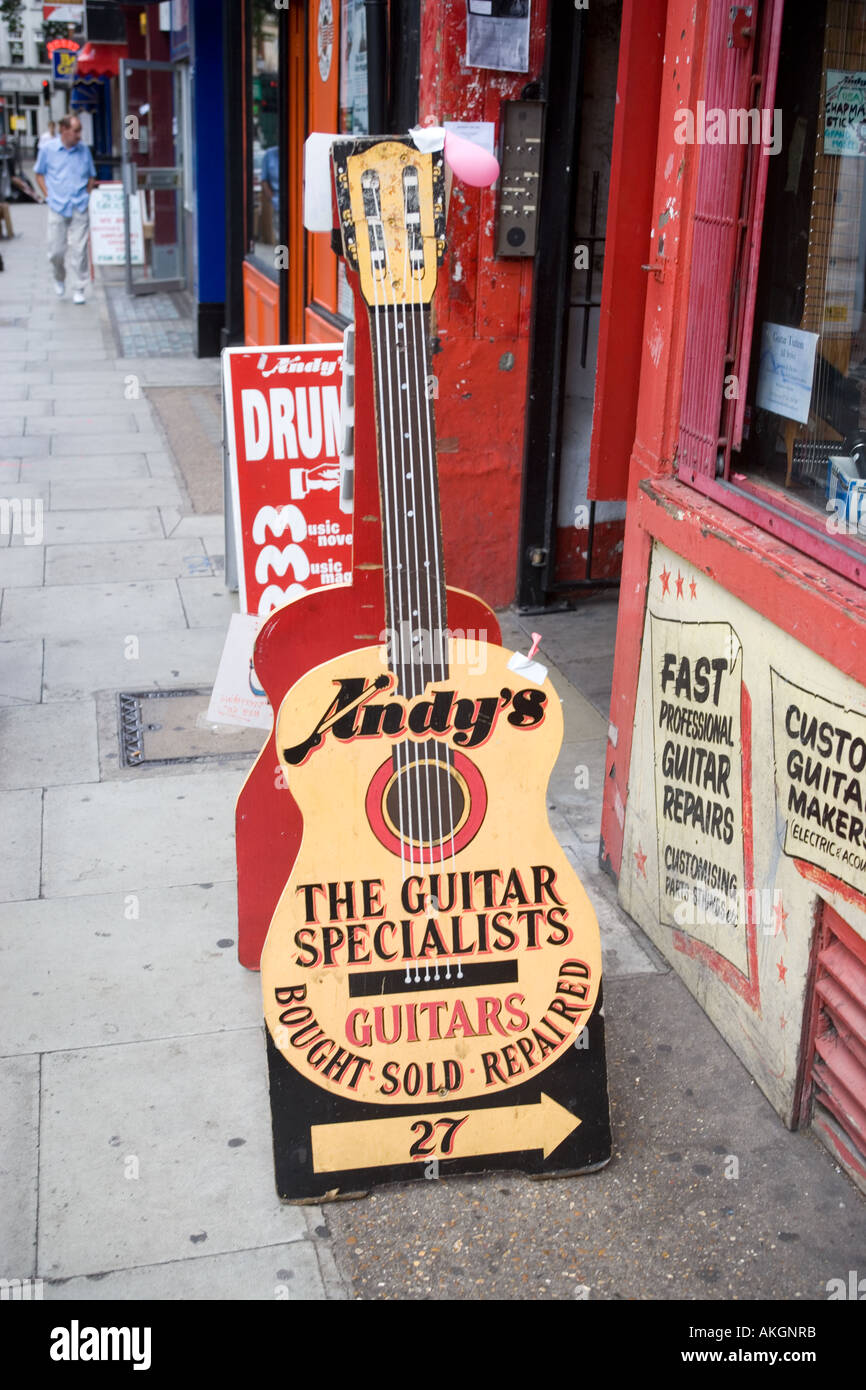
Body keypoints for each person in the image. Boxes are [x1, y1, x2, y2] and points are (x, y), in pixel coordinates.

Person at [34, 114, 96, 305]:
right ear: (64, 130)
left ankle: (79, 287)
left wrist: (86, 194)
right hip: (58, 205)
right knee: (55, 251)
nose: (79, 135)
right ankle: (59, 277)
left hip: (79, 204)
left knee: (79, 249)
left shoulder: (84, 150)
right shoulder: (48, 149)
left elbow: (91, 175)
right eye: (76, 131)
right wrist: (48, 195)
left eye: (80, 131)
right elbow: (39, 174)